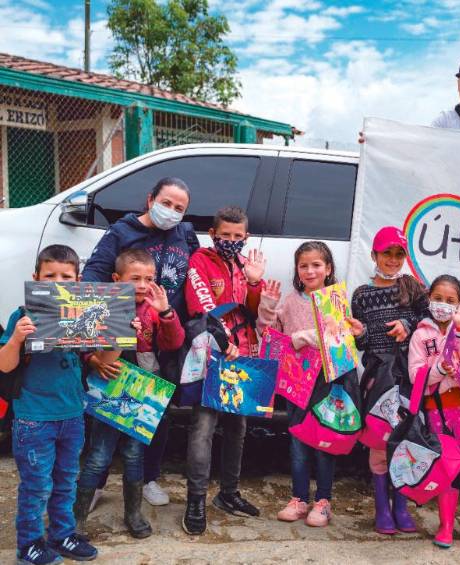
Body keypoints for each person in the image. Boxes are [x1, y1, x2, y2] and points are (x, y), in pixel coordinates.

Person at [81, 176, 199, 508]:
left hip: (163, 338)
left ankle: (148, 479)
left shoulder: (184, 234)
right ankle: (97, 483)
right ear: (150, 200)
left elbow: (196, 278)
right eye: (166, 203)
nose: (171, 211)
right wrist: (96, 343)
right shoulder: (122, 232)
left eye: (179, 208)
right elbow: (92, 279)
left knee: (155, 416)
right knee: (106, 415)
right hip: (121, 341)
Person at [74, 249, 185, 539]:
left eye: (148, 278)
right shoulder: (103, 306)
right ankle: (77, 518)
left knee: (135, 455)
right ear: (116, 278)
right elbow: (82, 341)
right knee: (99, 455)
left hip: (142, 391)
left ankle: (133, 514)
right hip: (108, 387)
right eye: (135, 278)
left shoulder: (154, 308)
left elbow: (173, 343)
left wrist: (166, 312)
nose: (142, 285)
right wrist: (93, 360)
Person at [0, 245, 98, 564]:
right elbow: (4, 365)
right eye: (50, 275)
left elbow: (106, 356)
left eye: (66, 277)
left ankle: (62, 534)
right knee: (37, 485)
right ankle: (29, 544)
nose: (58, 282)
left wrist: (123, 333)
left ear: (78, 281)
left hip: (73, 415)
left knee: (66, 481)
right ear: (36, 278)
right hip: (34, 419)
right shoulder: (22, 315)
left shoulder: (84, 314)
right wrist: (17, 338)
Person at [181, 206, 265, 536]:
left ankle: (228, 493)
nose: (231, 240)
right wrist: (221, 339)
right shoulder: (200, 261)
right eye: (225, 235)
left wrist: (255, 282)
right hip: (211, 355)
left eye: (237, 236)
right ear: (213, 234)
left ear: (246, 237)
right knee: (203, 427)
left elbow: (253, 311)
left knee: (237, 427)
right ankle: (196, 500)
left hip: (241, 356)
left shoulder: (245, 265)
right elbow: (200, 306)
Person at [350, 226, 429, 535]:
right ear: (374, 255)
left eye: (399, 254)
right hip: (377, 378)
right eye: (387, 254)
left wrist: (407, 325)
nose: (393, 260)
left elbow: (429, 320)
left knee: (405, 439)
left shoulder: (413, 287)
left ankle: (402, 507)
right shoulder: (362, 295)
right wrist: (361, 333)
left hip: (406, 377)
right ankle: (382, 508)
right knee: (379, 441)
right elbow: (362, 343)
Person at [258, 241, 342, 527]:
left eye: (316, 265)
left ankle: (324, 501)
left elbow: (336, 340)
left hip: (327, 382)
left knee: (324, 442)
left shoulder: (335, 300)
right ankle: (299, 499)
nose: (310, 271)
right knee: (298, 441)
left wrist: (302, 337)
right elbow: (271, 335)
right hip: (296, 382)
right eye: (303, 266)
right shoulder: (291, 301)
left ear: (328, 268)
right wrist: (268, 307)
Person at [407, 275, 460, 553]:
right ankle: (446, 526)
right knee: (445, 467)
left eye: (450, 300)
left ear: (459, 303)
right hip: (436, 412)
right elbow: (415, 375)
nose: (443, 304)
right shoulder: (420, 335)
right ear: (429, 299)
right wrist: (439, 370)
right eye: (438, 298)